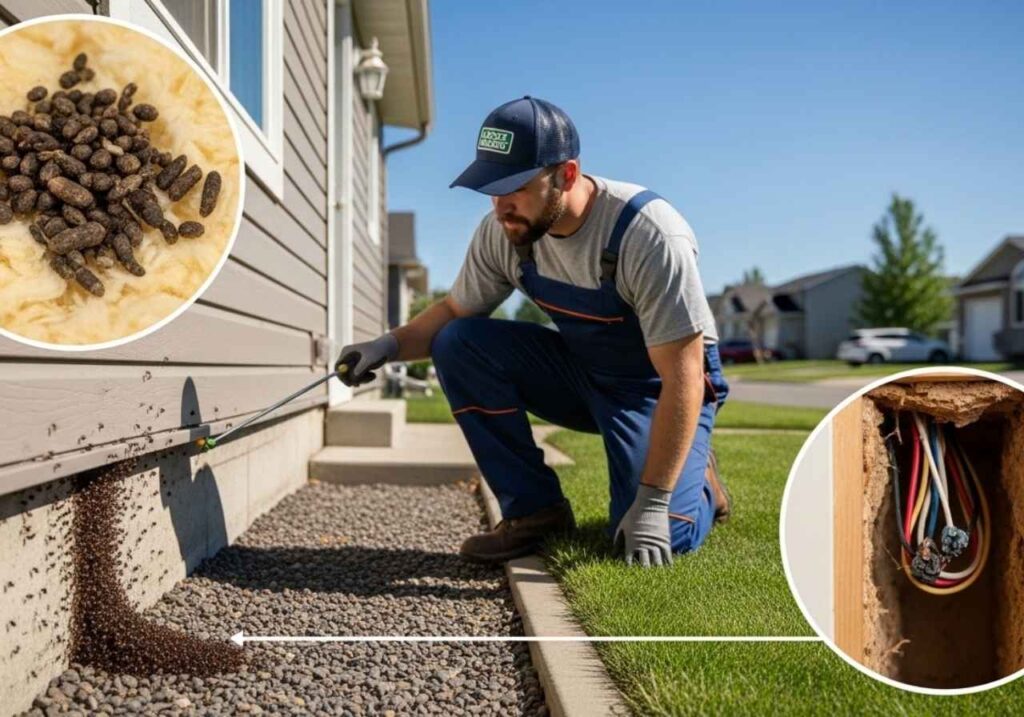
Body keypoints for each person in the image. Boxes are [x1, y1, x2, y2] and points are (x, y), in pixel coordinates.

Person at [334, 96, 730, 568]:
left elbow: (683, 376)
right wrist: (388, 344)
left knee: (660, 535)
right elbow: (452, 310)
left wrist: (654, 501)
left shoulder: (647, 234)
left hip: (657, 388)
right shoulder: (503, 232)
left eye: (515, 187)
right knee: (459, 341)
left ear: (565, 174)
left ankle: (701, 479)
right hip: (583, 374)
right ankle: (535, 512)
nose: (501, 207)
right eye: (491, 189)